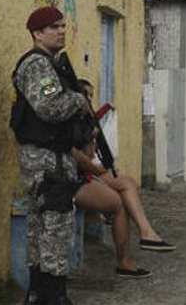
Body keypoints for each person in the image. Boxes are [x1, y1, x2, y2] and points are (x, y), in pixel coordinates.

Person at [11, 6, 96, 305]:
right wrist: (79, 98)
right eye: (53, 27)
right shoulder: (37, 64)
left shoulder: (52, 64)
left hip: (46, 157)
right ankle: (58, 304)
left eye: (62, 25)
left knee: (39, 225)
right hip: (46, 159)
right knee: (57, 228)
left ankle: (37, 293)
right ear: (37, 33)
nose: (61, 31)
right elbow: (49, 107)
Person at [70, 80, 175, 279]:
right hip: (74, 178)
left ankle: (146, 233)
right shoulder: (69, 120)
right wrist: (97, 168)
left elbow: (90, 153)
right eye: (85, 95)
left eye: (91, 96)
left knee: (128, 184)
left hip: (85, 173)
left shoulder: (84, 119)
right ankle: (127, 259)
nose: (89, 100)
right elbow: (78, 157)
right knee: (119, 202)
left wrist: (92, 135)